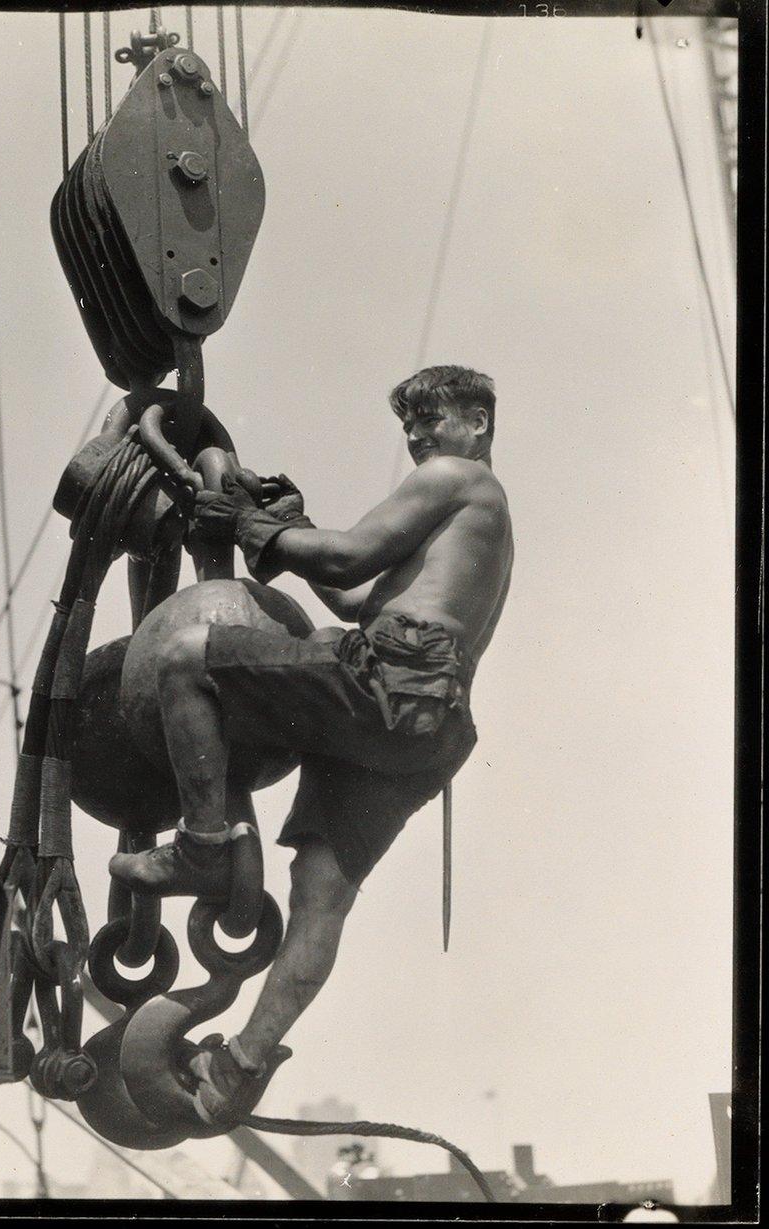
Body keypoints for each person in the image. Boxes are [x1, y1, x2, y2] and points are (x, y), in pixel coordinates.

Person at [109, 365, 514, 1125]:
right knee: (320, 899)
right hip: (427, 728)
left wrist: (259, 528)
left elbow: (346, 557)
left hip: (394, 678)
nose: (419, 436)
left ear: (479, 424)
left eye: (433, 418)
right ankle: (238, 1067)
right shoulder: (480, 518)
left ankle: (201, 842)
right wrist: (286, 527)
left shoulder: (458, 478)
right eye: (410, 425)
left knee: (183, 657)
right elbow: (358, 597)